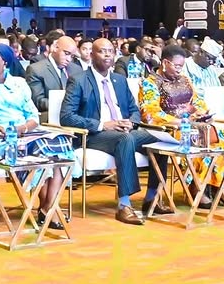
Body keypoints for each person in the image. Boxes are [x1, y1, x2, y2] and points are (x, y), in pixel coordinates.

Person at [0, 44, 75, 230]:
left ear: (5, 63)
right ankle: (48, 210)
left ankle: (48, 207)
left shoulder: (19, 83)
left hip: (25, 132)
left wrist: (23, 128)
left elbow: (33, 117)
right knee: (43, 148)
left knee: (59, 143)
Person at [60, 39, 173, 225]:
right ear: (91, 55)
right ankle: (124, 205)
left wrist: (131, 122)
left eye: (110, 51)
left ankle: (152, 198)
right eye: (102, 51)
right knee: (125, 139)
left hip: (123, 131)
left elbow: (134, 110)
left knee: (160, 140)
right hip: (93, 135)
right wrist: (103, 124)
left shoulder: (119, 80)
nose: (107, 54)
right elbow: (67, 117)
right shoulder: (78, 80)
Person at [138, 44, 224, 206]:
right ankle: (196, 188)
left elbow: (197, 101)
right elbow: (150, 114)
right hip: (170, 129)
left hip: (193, 124)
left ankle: (220, 187)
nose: (180, 70)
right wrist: (181, 121)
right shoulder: (150, 83)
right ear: (165, 62)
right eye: (177, 66)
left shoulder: (185, 80)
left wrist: (201, 113)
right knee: (199, 140)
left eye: (181, 66)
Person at [26, 35, 79, 120]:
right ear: (55, 48)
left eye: (72, 56)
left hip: (75, 117)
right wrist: (64, 105)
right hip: (49, 118)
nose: (69, 59)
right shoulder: (36, 70)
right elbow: (37, 101)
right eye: (66, 54)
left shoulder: (76, 69)